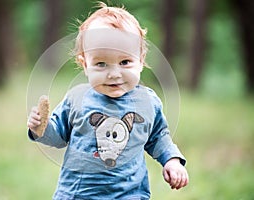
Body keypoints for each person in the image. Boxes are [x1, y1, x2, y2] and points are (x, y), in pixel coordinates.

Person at [27, 3, 188, 199]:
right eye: (101, 64)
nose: (114, 74)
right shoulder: (76, 99)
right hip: (78, 194)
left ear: (141, 60)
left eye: (125, 62)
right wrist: (40, 129)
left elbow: (158, 137)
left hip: (129, 194)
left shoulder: (147, 102)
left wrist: (171, 160)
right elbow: (58, 136)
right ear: (85, 65)